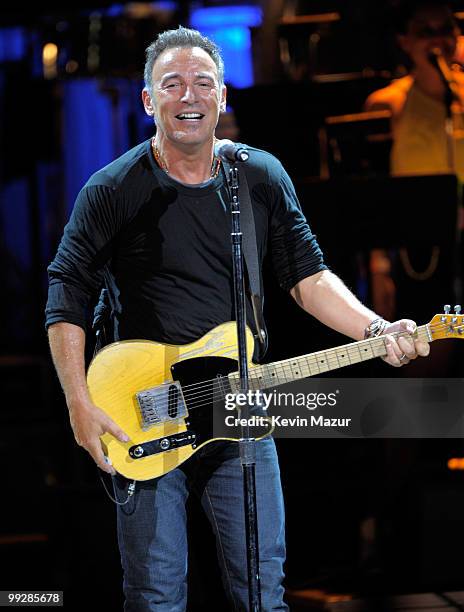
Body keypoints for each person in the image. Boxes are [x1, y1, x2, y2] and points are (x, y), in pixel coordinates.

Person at [45, 26, 429, 612]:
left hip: (240, 403)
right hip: (146, 411)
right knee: (155, 595)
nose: (189, 96)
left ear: (223, 97)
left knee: (262, 592)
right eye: (171, 85)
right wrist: (78, 399)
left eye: (203, 83)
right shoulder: (112, 189)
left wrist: (377, 331)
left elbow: (308, 276)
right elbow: (66, 293)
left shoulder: (259, 177)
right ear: (149, 102)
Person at [364, 0, 464, 177]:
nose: (438, 40)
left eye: (446, 29)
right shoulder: (387, 103)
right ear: (404, 41)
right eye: (425, 32)